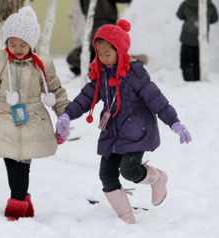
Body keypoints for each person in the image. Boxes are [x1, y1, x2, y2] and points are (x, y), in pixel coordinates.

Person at [56, 20, 192, 224]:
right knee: (107, 175)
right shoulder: (100, 74)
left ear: (119, 50)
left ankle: (157, 178)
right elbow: (86, 98)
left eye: (107, 54)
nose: (103, 58)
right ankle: (126, 218)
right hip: (112, 132)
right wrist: (67, 115)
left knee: (129, 170)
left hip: (137, 130)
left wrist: (174, 123)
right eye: (99, 54)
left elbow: (156, 99)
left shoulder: (135, 73)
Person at [0, 6, 69, 221]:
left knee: (22, 166)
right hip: (4, 120)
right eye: (12, 44)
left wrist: (64, 115)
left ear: (32, 43)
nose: (17, 49)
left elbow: (56, 89)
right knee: (11, 163)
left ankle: (16, 209)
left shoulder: (42, 62)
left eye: (23, 45)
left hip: (32, 121)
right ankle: (24, 198)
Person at [67, 0, 131, 76]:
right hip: (93, 23)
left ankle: (103, 67)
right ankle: (93, 67)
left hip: (106, 21)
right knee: (76, 55)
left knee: (101, 44)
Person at [176, 0, 219, 82]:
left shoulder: (186, 3)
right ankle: (198, 82)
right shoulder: (209, 5)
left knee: (186, 62)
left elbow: (179, 15)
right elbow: (214, 19)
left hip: (187, 39)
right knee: (199, 63)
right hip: (202, 40)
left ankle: (189, 81)